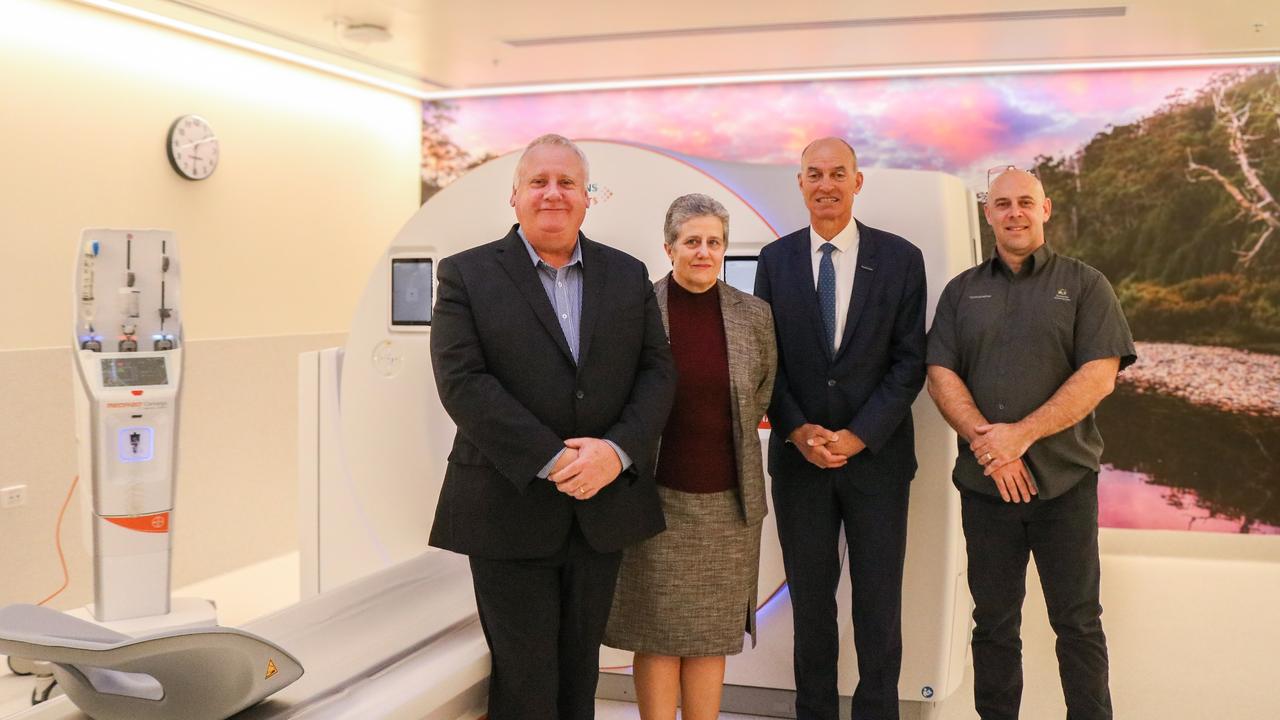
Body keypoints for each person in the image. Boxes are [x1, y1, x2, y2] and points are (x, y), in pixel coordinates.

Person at [429, 133, 677, 720]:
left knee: (578, 675)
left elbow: (657, 373)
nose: (553, 193)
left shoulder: (626, 274)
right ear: (513, 196)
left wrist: (615, 453)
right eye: (538, 182)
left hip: (601, 508)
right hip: (507, 507)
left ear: (587, 197)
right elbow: (462, 382)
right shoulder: (467, 276)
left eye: (567, 182)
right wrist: (557, 459)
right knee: (526, 682)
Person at [925, 167, 1135, 720]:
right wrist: (991, 449)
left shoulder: (1086, 284)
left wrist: (1020, 436)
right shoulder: (962, 290)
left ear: (1045, 209)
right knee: (993, 625)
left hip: (1064, 486)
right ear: (987, 213)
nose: (1014, 212)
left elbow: (1100, 374)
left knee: (1078, 623)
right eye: (1002, 203)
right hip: (985, 488)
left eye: (1025, 202)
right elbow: (941, 374)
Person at [753, 138, 927, 720]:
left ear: (857, 182)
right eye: (814, 174)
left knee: (878, 604)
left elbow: (909, 363)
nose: (825, 184)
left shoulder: (901, 259)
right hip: (799, 463)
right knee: (810, 605)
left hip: (876, 460)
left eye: (837, 173)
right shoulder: (774, 263)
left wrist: (858, 435)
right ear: (799, 184)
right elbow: (765, 361)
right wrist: (798, 431)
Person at [604, 194, 777, 720]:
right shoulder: (638, 312)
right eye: (692, 241)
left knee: (710, 637)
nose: (704, 252)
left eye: (714, 242)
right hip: (653, 502)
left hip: (729, 504)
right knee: (656, 635)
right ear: (668, 246)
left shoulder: (754, 315)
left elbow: (761, 390)